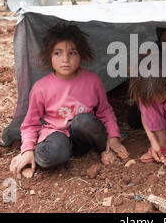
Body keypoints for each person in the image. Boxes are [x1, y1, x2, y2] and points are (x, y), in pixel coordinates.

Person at [10, 22, 129, 178]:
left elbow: (105, 111)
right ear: (49, 56)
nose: (65, 59)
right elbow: (30, 124)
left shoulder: (92, 81)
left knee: (84, 121)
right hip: (56, 133)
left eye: (72, 53)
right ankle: (57, 153)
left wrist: (113, 137)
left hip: (82, 136)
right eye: (57, 53)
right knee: (48, 157)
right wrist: (27, 150)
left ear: (81, 55)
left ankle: (103, 149)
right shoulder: (41, 87)